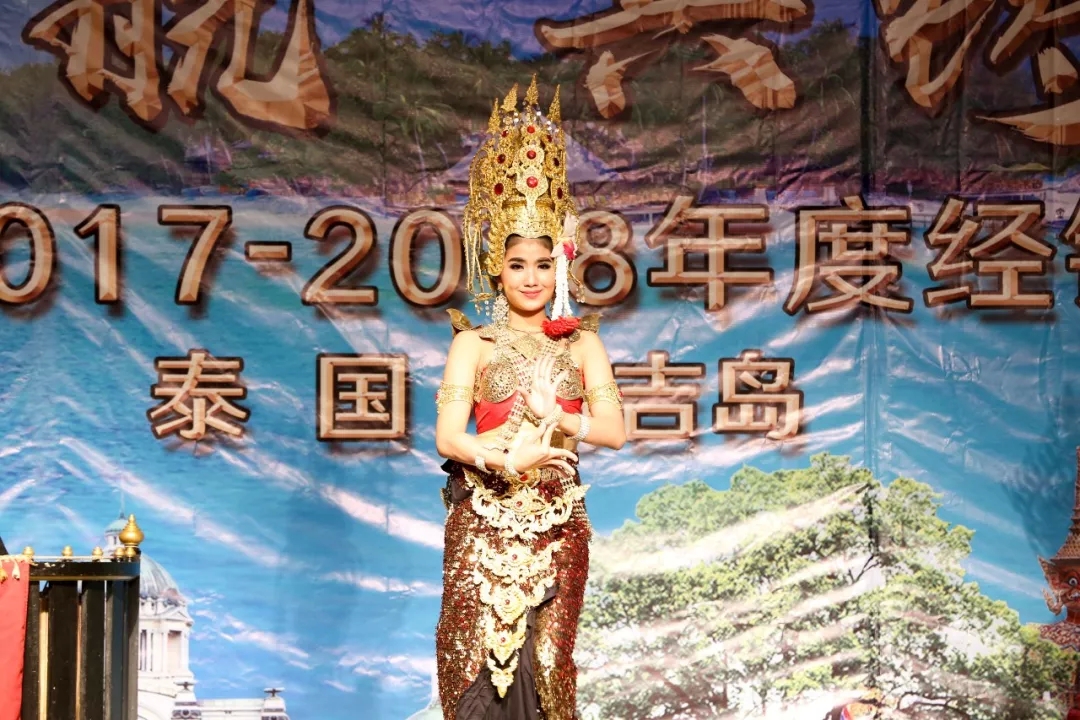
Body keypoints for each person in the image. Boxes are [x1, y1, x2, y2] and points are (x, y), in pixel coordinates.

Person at [433, 77, 626, 720]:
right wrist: (501, 459)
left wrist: (559, 417)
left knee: (548, 670)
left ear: (560, 267)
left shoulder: (583, 342)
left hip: (558, 523)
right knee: (476, 673)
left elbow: (614, 430)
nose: (532, 278)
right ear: (497, 267)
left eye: (544, 265)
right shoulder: (474, 342)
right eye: (518, 265)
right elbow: (447, 437)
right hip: (483, 522)